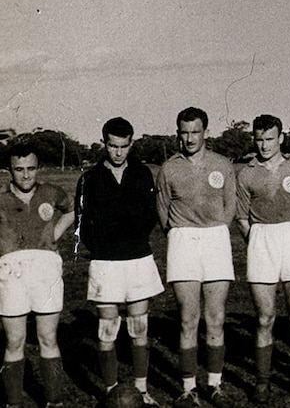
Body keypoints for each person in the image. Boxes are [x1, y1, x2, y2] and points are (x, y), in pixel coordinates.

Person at [75, 117, 163, 407]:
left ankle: (141, 388)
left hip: (137, 257)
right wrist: (102, 246)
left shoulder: (142, 174)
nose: (118, 152)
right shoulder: (90, 178)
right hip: (106, 262)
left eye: (124, 146)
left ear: (131, 144)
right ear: (104, 144)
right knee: (107, 329)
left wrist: (132, 239)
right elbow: (82, 223)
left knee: (139, 326)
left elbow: (150, 215)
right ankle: (111, 389)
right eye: (113, 146)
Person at [156, 107, 237, 408]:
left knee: (215, 317)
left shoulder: (222, 164)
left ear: (205, 132)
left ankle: (215, 385)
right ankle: (188, 388)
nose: (189, 139)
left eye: (195, 132)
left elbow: (231, 206)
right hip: (183, 240)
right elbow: (162, 209)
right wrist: (180, 232)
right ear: (178, 133)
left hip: (215, 238)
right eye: (184, 132)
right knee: (189, 319)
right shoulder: (169, 168)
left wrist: (215, 229)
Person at [236, 114, 290, 404]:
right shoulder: (246, 173)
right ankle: (262, 381)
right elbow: (242, 218)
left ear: (281, 138)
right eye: (259, 139)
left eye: (270, 138)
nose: (264, 144)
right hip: (261, 241)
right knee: (265, 317)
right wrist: (259, 241)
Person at [0, 143, 75, 407]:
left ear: (38, 168)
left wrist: (53, 234)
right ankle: (14, 402)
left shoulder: (51, 192)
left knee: (47, 337)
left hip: (45, 268)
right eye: (19, 169)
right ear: (9, 170)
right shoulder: (0, 197)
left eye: (31, 168)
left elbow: (70, 211)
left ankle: (54, 400)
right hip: (11, 270)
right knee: (15, 339)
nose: (26, 175)